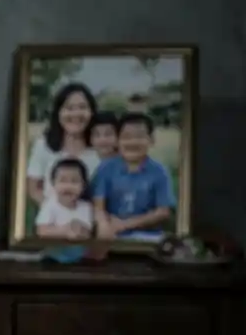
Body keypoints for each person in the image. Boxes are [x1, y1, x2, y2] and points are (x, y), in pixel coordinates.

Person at [91, 111, 177, 241]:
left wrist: (125, 224)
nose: (132, 142)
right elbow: (98, 206)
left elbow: (163, 211)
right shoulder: (105, 168)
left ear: (151, 140)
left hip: (148, 236)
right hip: (112, 233)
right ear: (117, 141)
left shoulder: (159, 171)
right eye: (126, 137)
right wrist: (104, 225)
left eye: (139, 137)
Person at [24, 82, 101, 206]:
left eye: (82, 107)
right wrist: (59, 214)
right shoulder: (43, 145)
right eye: (69, 108)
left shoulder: (101, 147)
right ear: (58, 113)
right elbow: (34, 189)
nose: (76, 114)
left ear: (91, 112)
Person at [34, 157, 93, 240]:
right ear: (53, 184)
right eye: (62, 181)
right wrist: (65, 231)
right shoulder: (50, 205)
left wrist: (80, 230)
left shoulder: (86, 207)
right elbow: (41, 231)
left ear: (84, 185)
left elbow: (88, 232)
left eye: (74, 181)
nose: (68, 186)